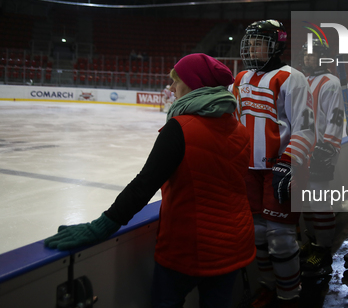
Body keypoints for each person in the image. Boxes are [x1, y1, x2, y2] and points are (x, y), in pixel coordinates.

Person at [44, 54, 255, 308]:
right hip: (236, 244)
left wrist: (100, 226)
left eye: (176, 83)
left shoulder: (181, 128)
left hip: (190, 249)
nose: (173, 89)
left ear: (191, 84)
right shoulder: (239, 128)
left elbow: (143, 185)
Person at [231, 20, 315, 307]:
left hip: (281, 169)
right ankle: (268, 286)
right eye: (250, 41)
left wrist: (288, 163)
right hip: (248, 171)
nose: (251, 47)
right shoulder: (241, 78)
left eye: (259, 42)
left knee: (280, 238)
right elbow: (235, 122)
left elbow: (305, 129)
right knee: (256, 235)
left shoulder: (292, 78)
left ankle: (289, 295)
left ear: (276, 45)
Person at [299, 38, 344, 277]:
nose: (308, 58)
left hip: (321, 151)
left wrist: (327, 147)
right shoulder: (303, 80)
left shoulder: (330, 81)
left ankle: (324, 249)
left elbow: (336, 117)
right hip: (303, 150)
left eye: (313, 54)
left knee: (318, 202)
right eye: (306, 53)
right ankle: (313, 240)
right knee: (306, 201)